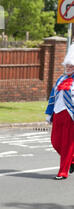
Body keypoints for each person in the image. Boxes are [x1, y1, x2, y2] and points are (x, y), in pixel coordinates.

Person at [45, 43, 74, 180]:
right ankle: (72, 160)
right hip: (57, 114)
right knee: (55, 142)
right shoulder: (60, 79)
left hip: (70, 116)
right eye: (67, 66)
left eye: (71, 66)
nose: (68, 68)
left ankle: (63, 171)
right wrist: (49, 113)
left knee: (68, 144)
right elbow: (52, 96)